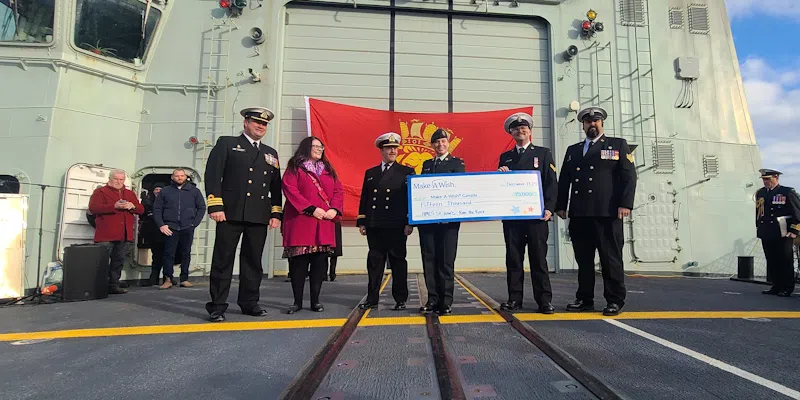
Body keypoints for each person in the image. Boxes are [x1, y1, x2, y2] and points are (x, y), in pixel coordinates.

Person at [555, 106, 636, 316]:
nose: (592, 124)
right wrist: (561, 205)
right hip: (581, 214)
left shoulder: (617, 145)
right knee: (584, 260)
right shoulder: (573, 150)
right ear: (583, 125)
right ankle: (584, 298)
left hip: (607, 213)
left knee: (610, 258)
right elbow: (564, 180)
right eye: (588, 122)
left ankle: (615, 300)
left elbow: (629, 177)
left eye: (596, 121)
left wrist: (625, 204)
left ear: (602, 123)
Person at [204, 106, 283, 322]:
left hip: (258, 215)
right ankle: (217, 305)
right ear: (245, 123)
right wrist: (215, 206)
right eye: (257, 122)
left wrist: (276, 213)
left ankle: (249, 302)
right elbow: (213, 175)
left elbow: (276, 186)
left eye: (265, 123)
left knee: (253, 261)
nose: (261, 126)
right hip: (230, 212)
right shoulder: (227, 144)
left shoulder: (270, 153)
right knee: (223, 260)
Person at [497, 113, 557, 314]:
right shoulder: (505, 158)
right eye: (515, 129)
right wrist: (500, 176)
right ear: (511, 133)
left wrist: (549, 208)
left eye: (523, 128)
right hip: (513, 219)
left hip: (537, 218)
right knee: (514, 259)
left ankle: (544, 301)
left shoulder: (543, 153)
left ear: (530, 131)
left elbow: (551, 184)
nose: (520, 131)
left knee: (539, 259)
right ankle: (514, 299)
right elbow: (500, 188)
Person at [281, 136, 344, 314]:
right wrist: (310, 209)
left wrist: (335, 209)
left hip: (323, 223)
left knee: (319, 265)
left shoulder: (328, 169)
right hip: (300, 222)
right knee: (299, 265)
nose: (319, 149)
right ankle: (297, 301)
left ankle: (315, 300)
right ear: (306, 147)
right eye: (315, 146)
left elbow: (339, 191)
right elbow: (290, 190)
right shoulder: (295, 167)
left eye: (321, 147)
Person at [356, 132, 415, 311]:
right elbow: (365, 198)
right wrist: (362, 221)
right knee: (374, 263)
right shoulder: (371, 173)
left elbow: (410, 199)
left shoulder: (406, 171)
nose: (392, 151)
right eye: (388, 148)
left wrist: (409, 222)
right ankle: (372, 298)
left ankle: (400, 298)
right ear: (381, 150)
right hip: (375, 225)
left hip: (396, 225)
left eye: (395, 148)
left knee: (398, 262)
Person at [417, 128, 465, 315]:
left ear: (448, 143)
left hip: (448, 223)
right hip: (428, 222)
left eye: (443, 142)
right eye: (437, 142)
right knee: (429, 260)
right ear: (432, 145)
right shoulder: (427, 164)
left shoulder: (457, 163)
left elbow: (459, 187)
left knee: (445, 261)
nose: (440, 145)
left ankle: (446, 301)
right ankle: (432, 299)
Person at [88, 169, 144, 294]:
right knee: (101, 261)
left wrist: (133, 206)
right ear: (110, 178)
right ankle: (98, 286)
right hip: (106, 234)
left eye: (121, 179)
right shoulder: (100, 192)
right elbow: (93, 208)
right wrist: (114, 206)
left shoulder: (129, 193)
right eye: (116, 179)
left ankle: (114, 284)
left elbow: (141, 210)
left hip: (124, 234)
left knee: (118, 261)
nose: (119, 181)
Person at [153, 169, 206, 289]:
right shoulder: (165, 191)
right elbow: (157, 209)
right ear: (172, 177)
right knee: (168, 253)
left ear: (186, 177)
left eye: (182, 176)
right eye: (177, 176)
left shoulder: (194, 191)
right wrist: (161, 224)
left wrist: (194, 223)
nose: (179, 178)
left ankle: (184, 279)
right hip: (170, 227)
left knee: (185, 253)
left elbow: (201, 207)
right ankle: (168, 279)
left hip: (187, 227)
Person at [755, 168, 800, 297]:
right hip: (767, 232)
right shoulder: (761, 193)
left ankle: (787, 287)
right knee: (772, 260)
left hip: (783, 233)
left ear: (776, 177)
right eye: (764, 179)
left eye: (768, 179)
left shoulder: (786, 192)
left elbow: (797, 212)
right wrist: (759, 227)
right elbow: (759, 213)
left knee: (785, 261)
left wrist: (794, 230)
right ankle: (776, 285)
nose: (765, 182)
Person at [141, 184, 165, 286]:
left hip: (166, 232)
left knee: (168, 256)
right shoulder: (148, 202)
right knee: (156, 257)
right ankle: (153, 278)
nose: (158, 191)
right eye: (156, 189)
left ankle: (167, 278)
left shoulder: (167, 202)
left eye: (160, 189)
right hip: (153, 233)